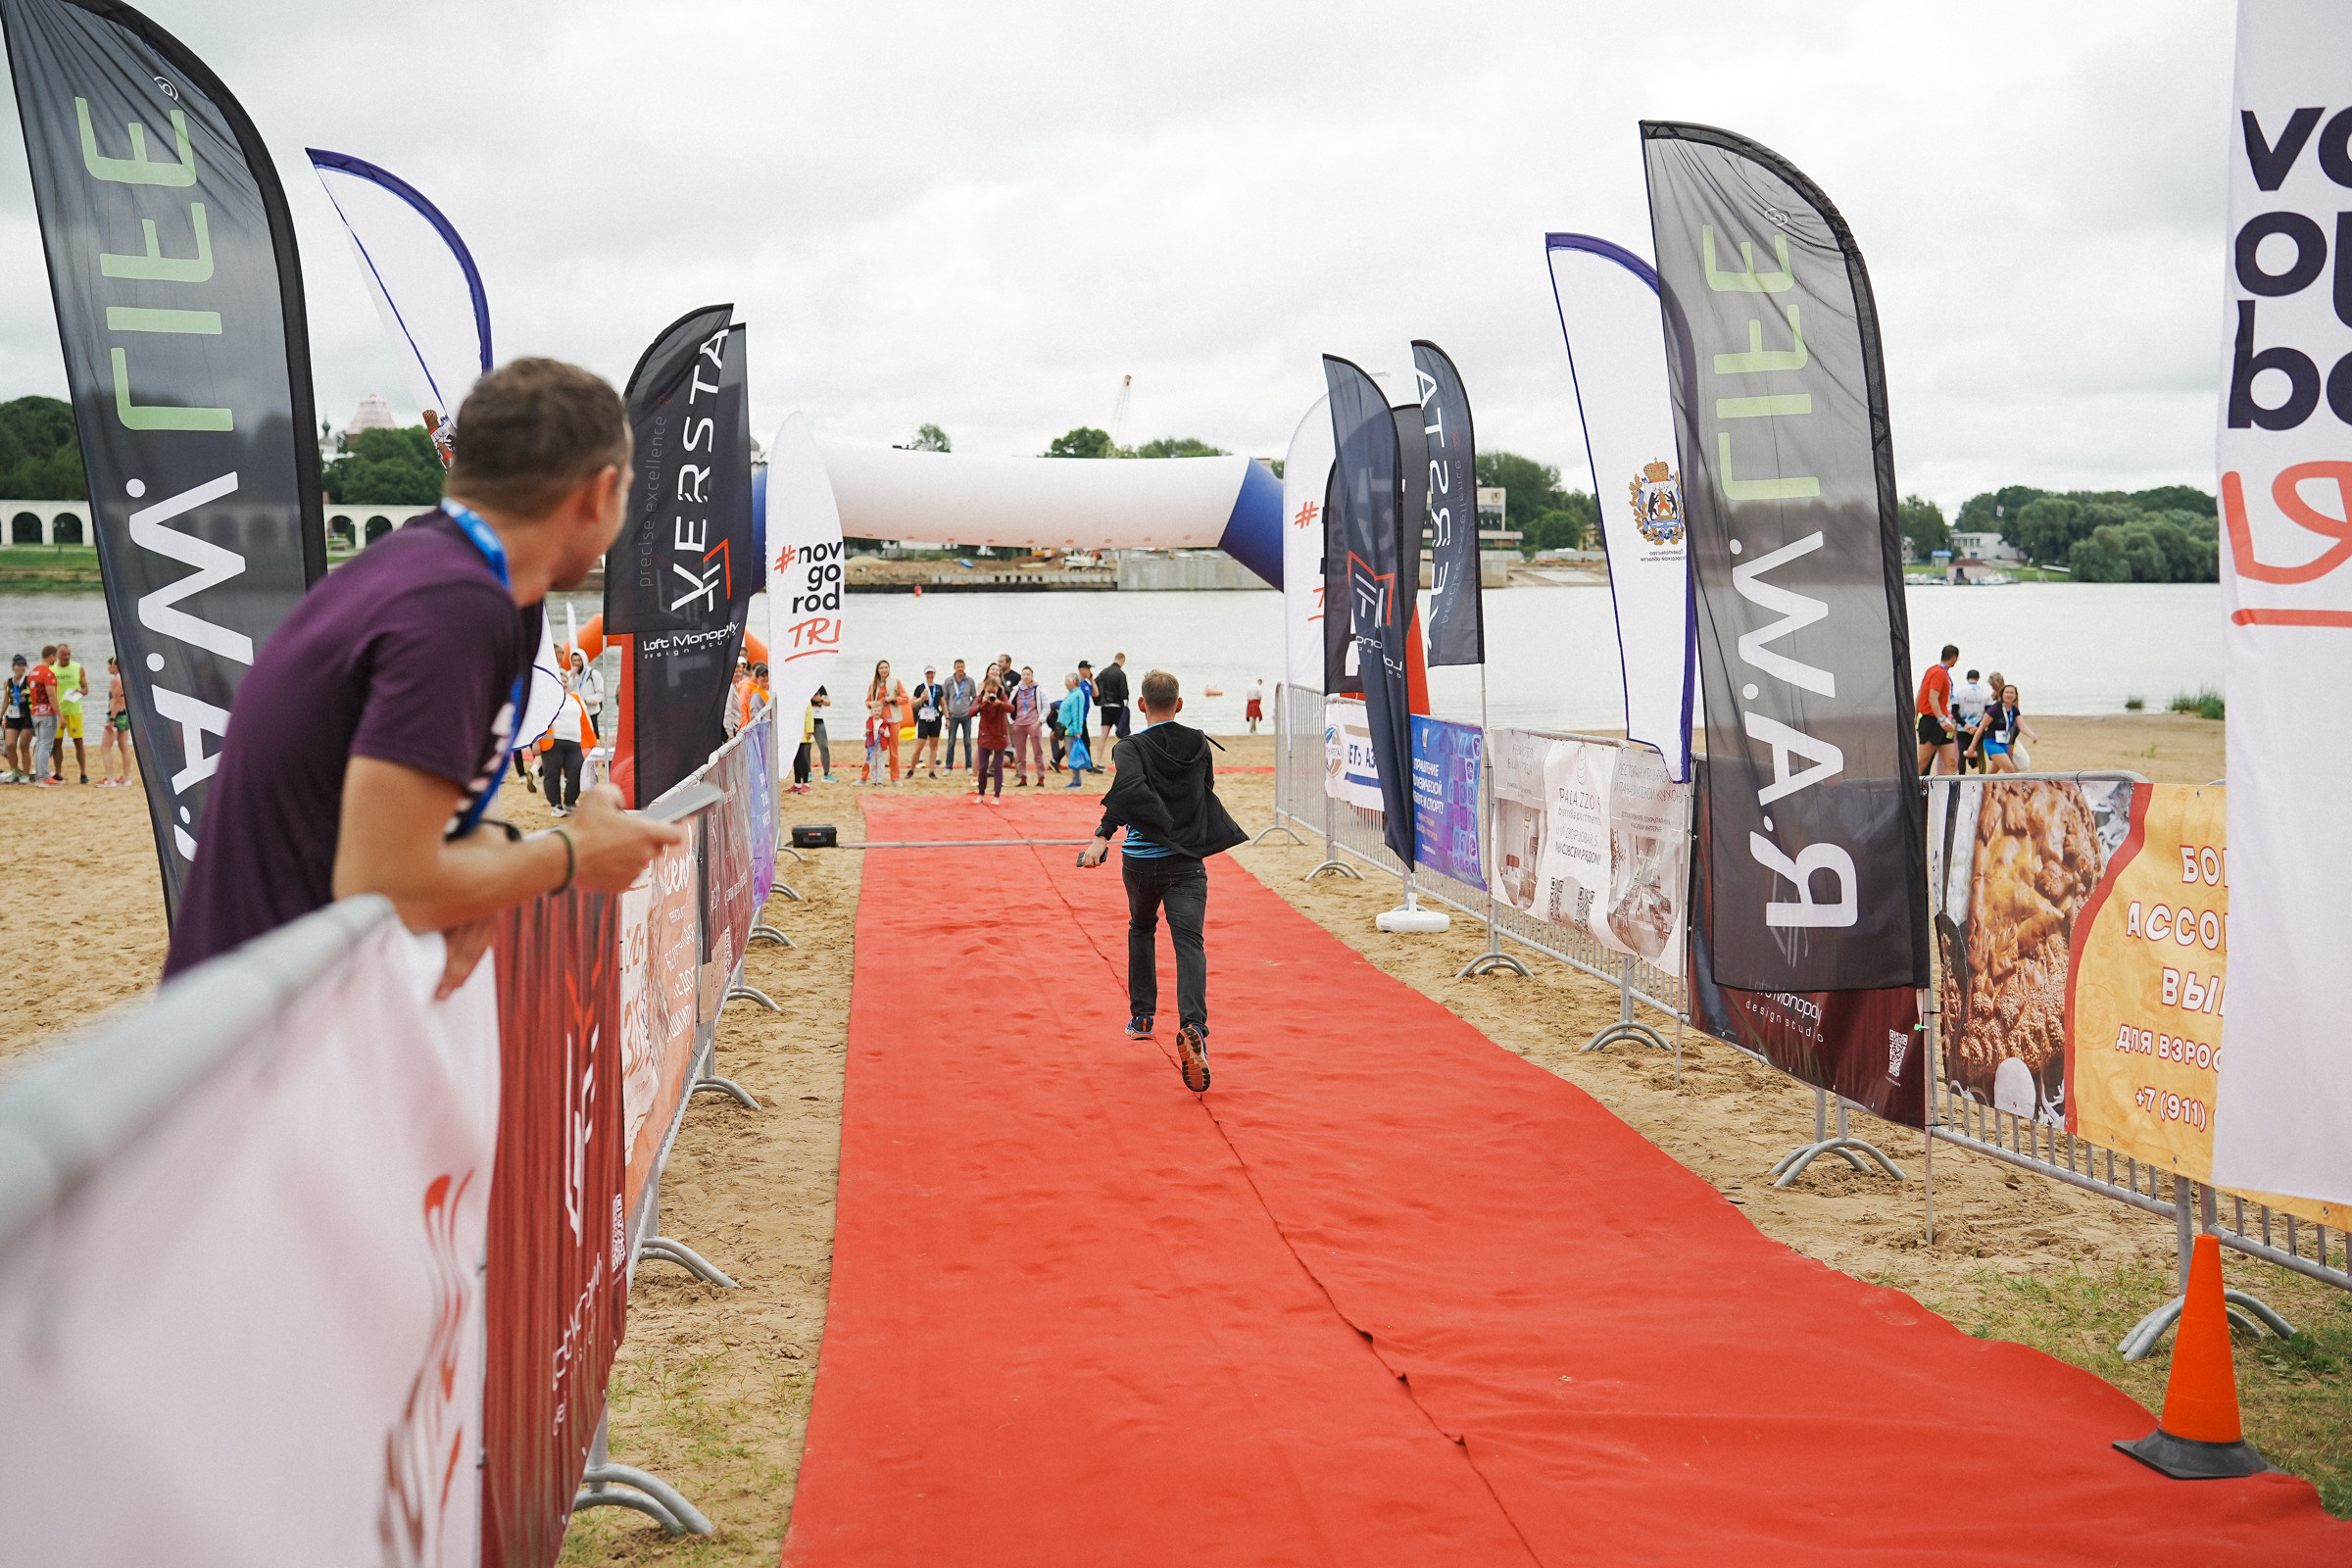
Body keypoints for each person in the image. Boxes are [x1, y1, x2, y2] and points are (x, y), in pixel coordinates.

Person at [161, 357, 685, 985]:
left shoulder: (455, 575)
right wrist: (570, 854)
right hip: (265, 1029)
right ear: (600, 493)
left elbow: (391, 817)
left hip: (291, 992)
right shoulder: (453, 605)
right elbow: (384, 884)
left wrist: (493, 854)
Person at [1077, 669, 1247, 1094]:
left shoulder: (1129, 747)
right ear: (1181, 704)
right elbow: (1204, 789)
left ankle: (1142, 1017)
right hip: (1187, 862)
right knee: (1190, 944)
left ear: (1139, 706)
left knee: (1141, 928)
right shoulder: (1198, 742)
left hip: (1139, 862)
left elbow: (1126, 791)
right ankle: (1194, 1028)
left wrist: (1102, 837)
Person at [541, 682, 594, 815]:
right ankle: (556, 805)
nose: (562, 683)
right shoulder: (548, 697)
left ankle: (570, 802)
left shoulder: (575, 698)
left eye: (564, 680)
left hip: (574, 742)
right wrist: (535, 742)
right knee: (552, 774)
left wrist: (592, 740)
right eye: (559, 680)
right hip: (553, 741)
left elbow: (585, 717)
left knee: (577, 771)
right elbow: (539, 719)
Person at [1975, 682, 2039, 773]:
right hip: (1992, 742)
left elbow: (2022, 726)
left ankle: (1982, 787)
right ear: (2002, 694)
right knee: (2010, 771)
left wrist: (2032, 735)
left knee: (1991, 774)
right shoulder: (1994, 709)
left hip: (2004, 743)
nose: (2009, 694)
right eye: (2007, 692)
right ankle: (2012, 788)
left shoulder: (2014, 710)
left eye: (2011, 692)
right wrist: (1972, 747)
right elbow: (1981, 727)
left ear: (2015, 696)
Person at [1916, 643, 1959, 776]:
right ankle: (1909, 792)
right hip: (1932, 720)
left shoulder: (1934, 671)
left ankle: (1948, 794)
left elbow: (1920, 693)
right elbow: (1932, 698)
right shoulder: (1938, 673)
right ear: (1954, 658)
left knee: (1951, 761)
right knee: (1922, 762)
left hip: (1942, 720)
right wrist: (1941, 719)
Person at [51, 639, 87, 784]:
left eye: (68, 654)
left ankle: (83, 773)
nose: (66, 657)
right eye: (63, 654)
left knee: (78, 741)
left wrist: (79, 691)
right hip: (57, 711)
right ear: (57, 655)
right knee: (57, 743)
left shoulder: (78, 667)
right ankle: (58, 773)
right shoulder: (52, 669)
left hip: (74, 711)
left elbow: (86, 689)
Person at [866, 660, 906, 784]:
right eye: (881, 668)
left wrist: (893, 699)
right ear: (878, 670)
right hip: (877, 721)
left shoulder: (895, 682)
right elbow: (867, 701)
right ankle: (864, 778)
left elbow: (905, 698)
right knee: (871, 749)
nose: (884, 670)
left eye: (886, 667)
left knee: (893, 751)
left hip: (893, 720)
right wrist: (870, 704)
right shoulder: (873, 684)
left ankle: (895, 778)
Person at [974, 672, 1011, 799]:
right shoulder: (981, 697)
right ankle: (981, 793)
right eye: (989, 691)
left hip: (999, 735)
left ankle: (997, 795)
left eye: (993, 691)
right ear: (985, 689)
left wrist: (999, 703)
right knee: (983, 766)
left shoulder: (1002, 697)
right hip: (985, 735)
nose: (991, 694)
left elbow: (1011, 708)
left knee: (997, 766)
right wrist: (982, 703)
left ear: (997, 689)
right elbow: (971, 712)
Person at [97, 656, 131, 786]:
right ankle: (127, 778)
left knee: (105, 747)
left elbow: (116, 701)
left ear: (114, 666)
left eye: (109, 665)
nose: (107, 668)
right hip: (125, 715)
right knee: (124, 747)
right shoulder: (126, 678)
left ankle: (110, 779)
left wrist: (111, 720)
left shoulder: (116, 680)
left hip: (116, 715)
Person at [1010, 665, 1047, 785]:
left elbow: (1046, 706)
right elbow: (1010, 706)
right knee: (1020, 753)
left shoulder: (1038, 689)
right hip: (1019, 724)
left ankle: (1041, 778)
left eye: (1028, 674)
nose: (1026, 677)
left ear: (1032, 676)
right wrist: (1012, 722)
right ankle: (1023, 777)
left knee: (1038, 751)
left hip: (1033, 723)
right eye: (1024, 674)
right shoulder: (1016, 690)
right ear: (1021, 676)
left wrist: (1040, 721)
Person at [27, 647, 58, 787]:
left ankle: (40, 773)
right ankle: (43, 776)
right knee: (45, 744)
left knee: (40, 743)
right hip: (47, 712)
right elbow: (51, 695)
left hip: (36, 711)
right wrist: (60, 715)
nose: (56, 660)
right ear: (51, 656)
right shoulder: (48, 673)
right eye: (55, 657)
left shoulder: (32, 673)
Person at [942, 658, 978, 772]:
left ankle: (969, 766)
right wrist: (947, 715)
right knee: (951, 742)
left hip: (966, 716)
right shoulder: (948, 681)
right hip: (953, 716)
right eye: (958, 667)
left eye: (962, 667)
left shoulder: (970, 681)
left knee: (967, 741)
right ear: (954, 668)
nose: (960, 669)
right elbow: (944, 699)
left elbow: (975, 697)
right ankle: (948, 767)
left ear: (964, 667)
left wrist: (971, 709)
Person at [1952, 667, 1989, 774]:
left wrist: (1965, 725)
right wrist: (1977, 726)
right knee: (1980, 754)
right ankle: (1982, 777)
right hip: (1979, 728)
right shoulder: (1985, 693)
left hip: (1963, 728)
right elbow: (1987, 713)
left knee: (1962, 756)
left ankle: (1961, 778)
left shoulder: (1958, 692)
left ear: (1967, 678)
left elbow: (1955, 711)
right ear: (1978, 678)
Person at [909, 664, 945, 777]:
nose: (930, 675)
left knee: (934, 746)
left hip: (935, 718)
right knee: (919, 745)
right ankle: (911, 769)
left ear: (934, 674)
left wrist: (948, 718)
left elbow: (943, 704)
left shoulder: (939, 688)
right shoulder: (920, 687)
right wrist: (921, 698)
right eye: (928, 673)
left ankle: (931, 771)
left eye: (932, 673)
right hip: (923, 718)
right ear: (925, 674)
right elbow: (911, 703)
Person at [1057, 673, 1091, 788]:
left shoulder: (1077, 695)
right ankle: (1076, 780)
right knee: (1070, 754)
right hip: (1067, 730)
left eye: (1067, 680)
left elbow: (1077, 714)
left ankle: (1078, 781)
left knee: (1074, 755)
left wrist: (1077, 730)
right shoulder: (1072, 694)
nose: (1065, 683)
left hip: (1072, 730)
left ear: (1073, 682)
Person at [1095, 652, 1131, 759]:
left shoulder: (1103, 672)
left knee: (1103, 735)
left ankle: (1099, 761)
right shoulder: (1121, 674)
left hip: (1105, 707)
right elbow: (1125, 694)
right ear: (1122, 660)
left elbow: (1096, 688)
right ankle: (1125, 759)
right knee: (1123, 735)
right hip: (1117, 708)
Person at [3, 655, 32, 783]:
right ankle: (14, 771)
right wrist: (0, 716)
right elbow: (6, 701)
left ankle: (25, 774)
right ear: (13, 667)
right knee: (9, 745)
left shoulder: (29, 680)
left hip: (27, 716)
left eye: (23, 665)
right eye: (18, 665)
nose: (21, 667)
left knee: (24, 746)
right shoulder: (8, 682)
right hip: (12, 717)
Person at [1075, 660, 1100, 771]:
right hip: (1079, 716)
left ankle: (1056, 759)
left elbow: (1096, 693)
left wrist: (1092, 679)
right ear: (1082, 670)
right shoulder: (1078, 683)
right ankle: (1089, 765)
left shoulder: (1086, 683)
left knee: (1079, 740)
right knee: (1085, 740)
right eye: (1088, 669)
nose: (1090, 670)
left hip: (1083, 716)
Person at [809, 684, 835, 780]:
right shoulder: (803, 683)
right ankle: (807, 773)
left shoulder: (819, 685)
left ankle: (826, 773)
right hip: (805, 719)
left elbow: (828, 702)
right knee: (805, 747)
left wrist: (819, 700)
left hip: (818, 719)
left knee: (824, 746)